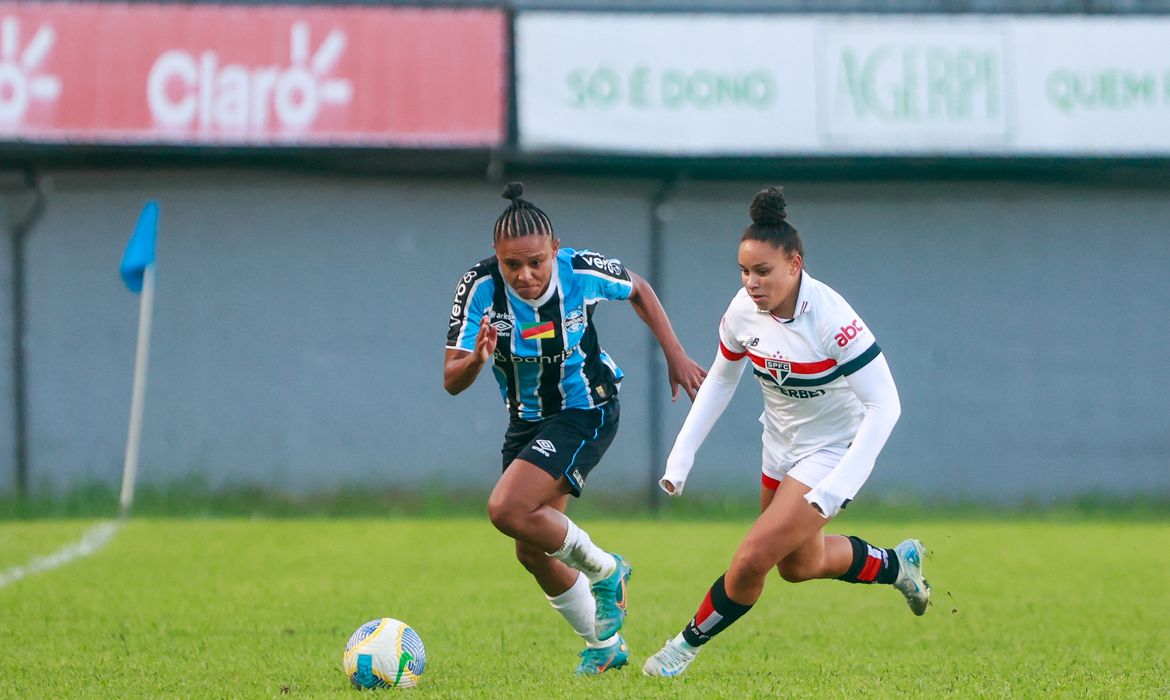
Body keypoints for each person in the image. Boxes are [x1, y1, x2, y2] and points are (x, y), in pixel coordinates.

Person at [642, 186, 930, 678]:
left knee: (753, 557)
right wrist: (681, 456)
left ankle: (681, 647)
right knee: (797, 565)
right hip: (779, 448)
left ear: (795, 264)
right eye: (744, 271)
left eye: (762, 271)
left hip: (831, 453)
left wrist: (838, 487)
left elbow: (886, 406)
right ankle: (897, 565)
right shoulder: (741, 311)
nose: (751, 283)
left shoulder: (833, 320)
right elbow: (721, 378)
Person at [444, 182, 706, 675]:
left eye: (535, 262)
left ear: (554, 251)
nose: (524, 275)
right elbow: (451, 380)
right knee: (531, 548)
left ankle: (608, 570)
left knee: (505, 508)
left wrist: (674, 353)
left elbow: (639, 289)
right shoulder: (478, 287)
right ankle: (605, 647)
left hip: (586, 407)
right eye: (511, 264)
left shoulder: (578, 269)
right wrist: (477, 361)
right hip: (526, 421)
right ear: (496, 258)